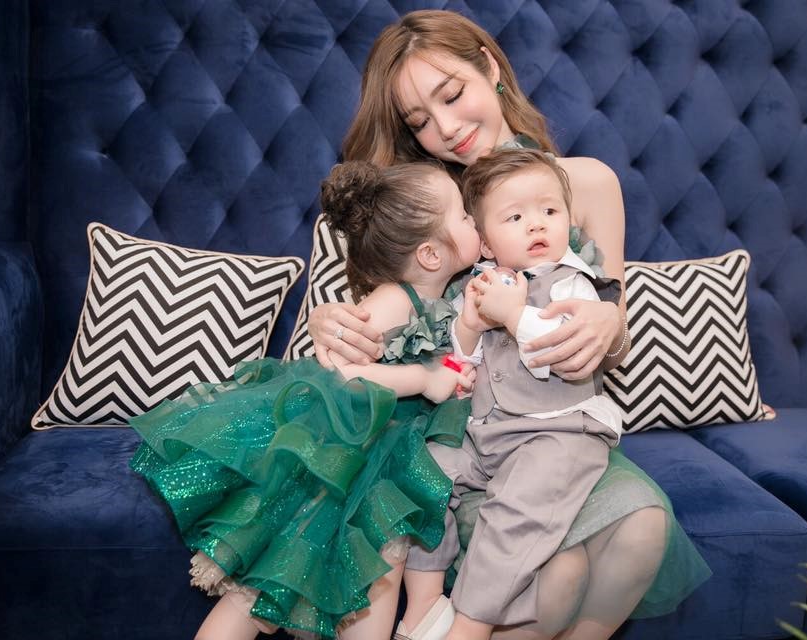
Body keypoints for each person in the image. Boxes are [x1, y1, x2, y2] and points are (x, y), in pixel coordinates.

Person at [307, 10, 711, 640]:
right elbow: (388, 318)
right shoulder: (420, 199)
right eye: (419, 121)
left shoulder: (586, 183)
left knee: (643, 529)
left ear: (490, 67)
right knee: (560, 572)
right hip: (453, 431)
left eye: (451, 94)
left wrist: (607, 320)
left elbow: (615, 327)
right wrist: (327, 319)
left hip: (552, 423)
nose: (445, 127)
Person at [128, 159, 483, 640]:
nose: (474, 220)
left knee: (371, 577)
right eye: (463, 215)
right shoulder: (394, 301)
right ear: (430, 254)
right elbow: (341, 373)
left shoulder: (445, 298)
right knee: (265, 587)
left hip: (387, 463)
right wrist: (422, 378)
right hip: (339, 455)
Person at [397, 148, 710, 640]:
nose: (536, 224)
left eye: (549, 211)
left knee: (516, 513)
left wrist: (513, 315)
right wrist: (470, 326)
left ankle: (470, 624)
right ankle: (426, 598)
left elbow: (560, 357)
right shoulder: (479, 284)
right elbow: (460, 363)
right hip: (488, 434)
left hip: (559, 435)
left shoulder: (575, 284)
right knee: (426, 469)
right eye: (515, 217)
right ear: (485, 243)